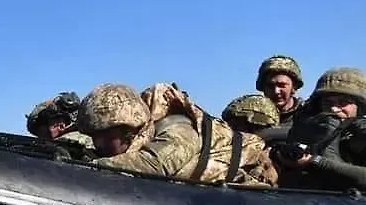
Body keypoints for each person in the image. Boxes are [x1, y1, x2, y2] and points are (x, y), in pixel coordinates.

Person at [77, 82, 279, 187]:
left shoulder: (179, 130)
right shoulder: (143, 133)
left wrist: (84, 167)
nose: (98, 143)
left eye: (105, 136)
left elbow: (154, 165)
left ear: (130, 130)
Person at [272, 67, 366, 191]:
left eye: (343, 102)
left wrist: (315, 161)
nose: (334, 109)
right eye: (328, 102)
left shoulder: (361, 135)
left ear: (360, 107)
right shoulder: (311, 129)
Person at [24, 91, 95, 149]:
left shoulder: (72, 144)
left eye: (46, 134)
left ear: (60, 126)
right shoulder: (93, 141)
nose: (41, 141)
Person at [255, 54, 306, 127]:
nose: (276, 91)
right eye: (270, 86)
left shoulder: (309, 116)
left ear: (293, 87)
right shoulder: (253, 119)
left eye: (282, 85)